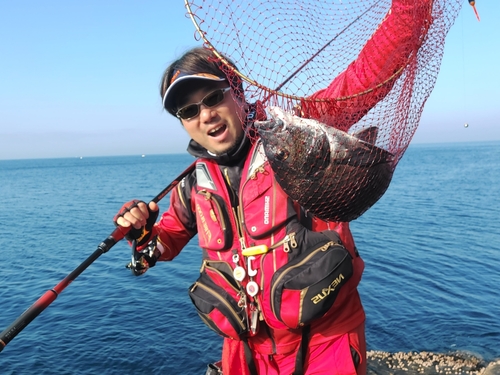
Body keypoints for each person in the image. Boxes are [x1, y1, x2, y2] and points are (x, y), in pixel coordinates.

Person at [114, 1, 433, 374]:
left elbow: (368, 75)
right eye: (188, 111)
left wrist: (414, 6)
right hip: (245, 354)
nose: (205, 114)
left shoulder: (297, 138)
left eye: (213, 97)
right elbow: (165, 239)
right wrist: (143, 233)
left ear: (237, 91)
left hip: (326, 345)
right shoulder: (192, 186)